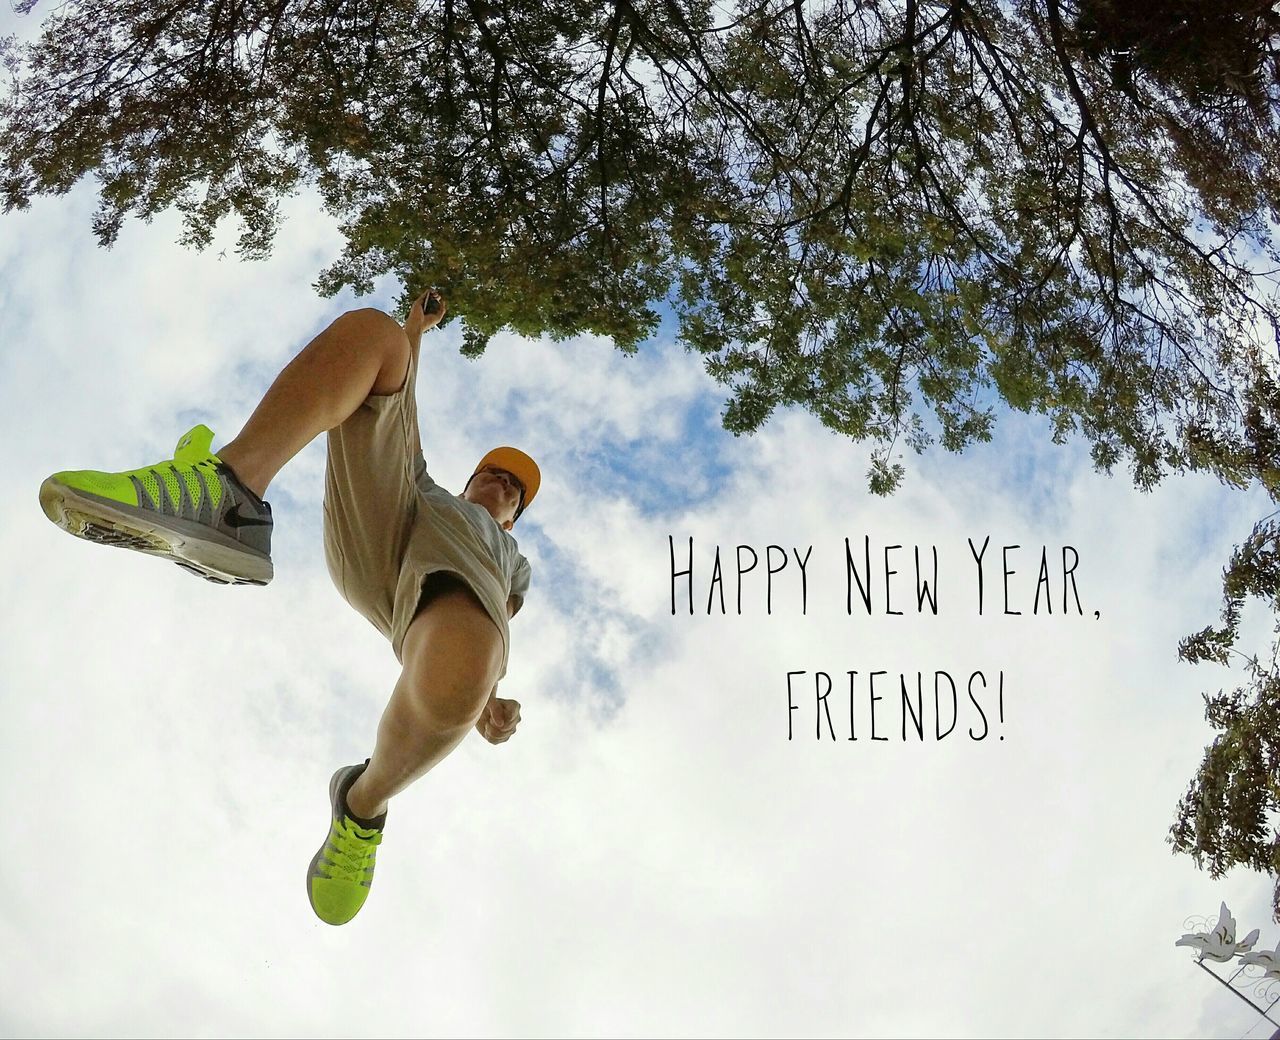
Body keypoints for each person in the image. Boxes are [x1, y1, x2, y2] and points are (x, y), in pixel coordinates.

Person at [38, 287, 540, 927]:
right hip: (396, 513)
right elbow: (405, 403)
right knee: (378, 341)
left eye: (514, 490)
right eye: (494, 473)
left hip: (445, 592)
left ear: (516, 513)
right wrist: (416, 330)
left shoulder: (514, 562)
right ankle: (230, 495)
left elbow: (501, 621)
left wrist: (490, 696)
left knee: (459, 680)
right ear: (472, 479)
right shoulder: (436, 487)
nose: (503, 483)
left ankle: (361, 807)